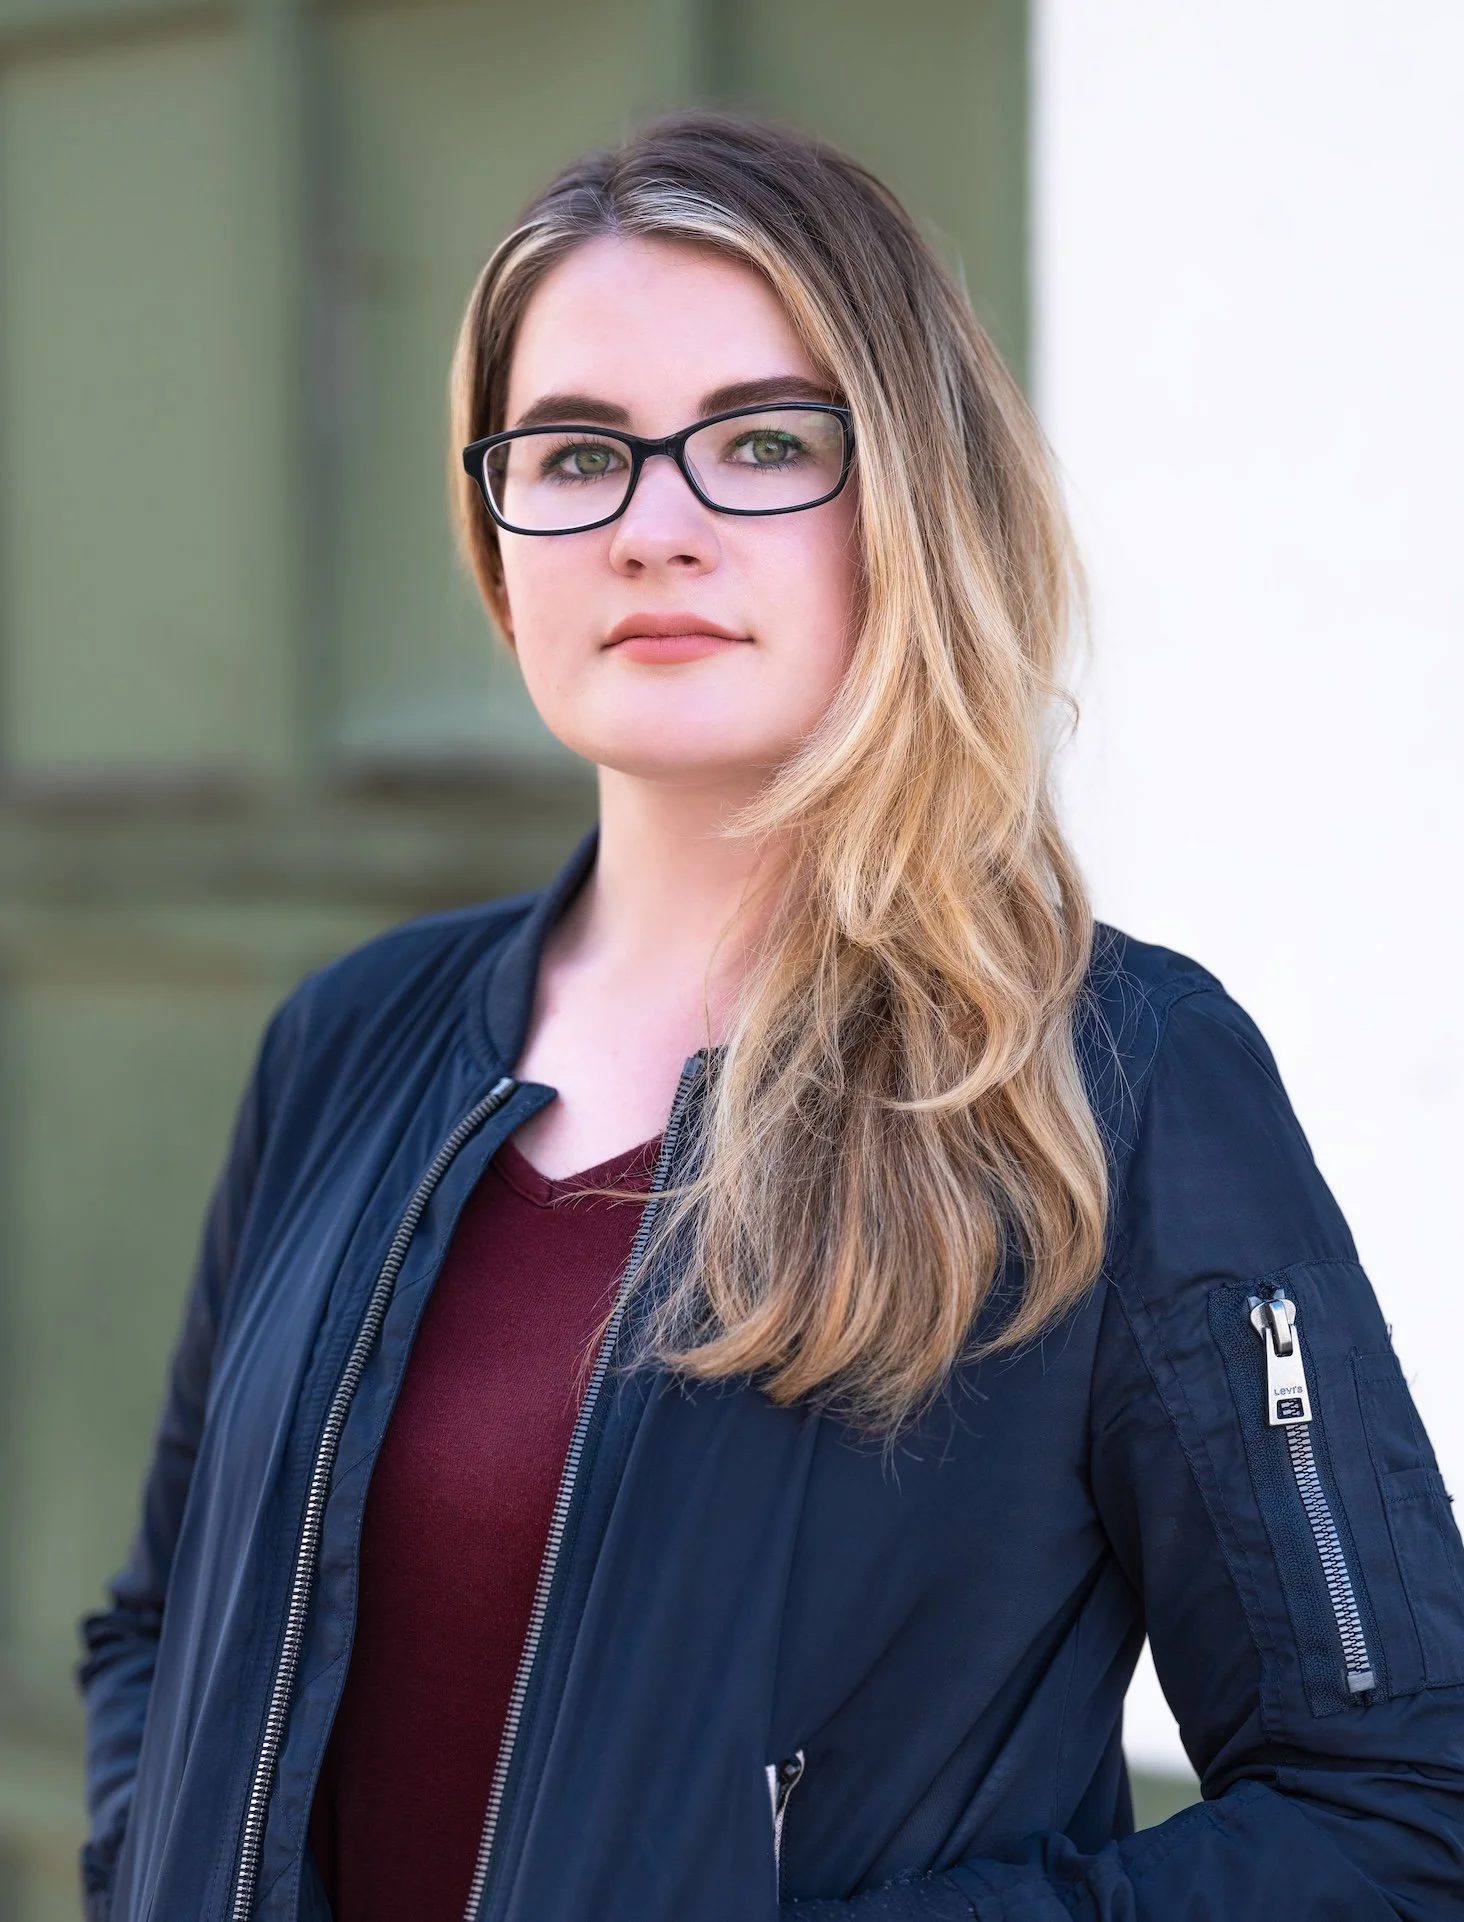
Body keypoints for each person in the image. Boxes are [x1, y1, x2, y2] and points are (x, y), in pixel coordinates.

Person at [79, 114, 1463, 1922]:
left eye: (763, 444)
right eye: (576, 453)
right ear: (502, 546)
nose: (655, 526)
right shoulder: (354, 1038)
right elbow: (165, 1630)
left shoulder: (1110, 1081)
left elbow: (1398, 1806)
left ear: (911, 501)